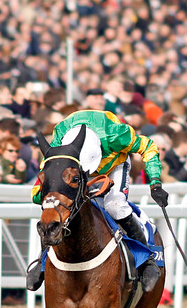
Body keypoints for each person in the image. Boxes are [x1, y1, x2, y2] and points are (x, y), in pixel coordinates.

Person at [27, 110, 169, 292]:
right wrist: (45, 194)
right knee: (55, 207)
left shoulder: (115, 135)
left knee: (115, 205)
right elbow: (43, 182)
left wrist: (155, 182)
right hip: (71, 169)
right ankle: (42, 261)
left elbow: (148, 146)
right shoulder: (59, 137)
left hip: (114, 164)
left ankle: (147, 261)